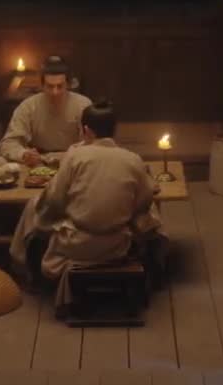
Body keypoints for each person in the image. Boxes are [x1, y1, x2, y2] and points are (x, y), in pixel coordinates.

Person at [9, 98, 165, 287]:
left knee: (36, 209)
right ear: (114, 130)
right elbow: (145, 199)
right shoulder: (133, 159)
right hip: (117, 243)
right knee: (147, 216)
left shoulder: (75, 156)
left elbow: (54, 198)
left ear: (86, 130)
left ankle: (30, 272)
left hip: (76, 243)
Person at [0, 55, 92, 237]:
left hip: (71, 162)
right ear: (41, 85)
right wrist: (23, 154)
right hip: (36, 163)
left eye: (60, 86)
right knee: (0, 167)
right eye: (50, 86)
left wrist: (65, 157)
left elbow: (90, 144)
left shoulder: (83, 105)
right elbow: (8, 142)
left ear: (69, 84)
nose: (55, 92)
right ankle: (2, 236)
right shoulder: (29, 106)